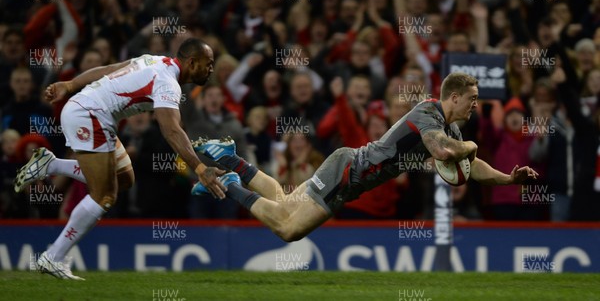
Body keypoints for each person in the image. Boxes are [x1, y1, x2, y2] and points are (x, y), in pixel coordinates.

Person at [192, 72, 539, 242]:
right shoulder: (429, 115)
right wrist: (472, 146)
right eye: (472, 98)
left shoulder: (448, 127)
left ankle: (231, 160)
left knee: (282, 201)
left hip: (347, 169)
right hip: (348, 174)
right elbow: (445, 152)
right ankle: (230, 183)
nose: (476, 104)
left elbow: (470, 165)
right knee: (288, 229)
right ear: (453, 97)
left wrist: (509, 178)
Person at [13, 38, 226, 280]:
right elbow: (172, 130)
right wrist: (199, 168)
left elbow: (108, 70)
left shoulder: (155, 60)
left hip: (92, 113)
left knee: (124, 178)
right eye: (208, 64)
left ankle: (51, 165)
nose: (211, 69)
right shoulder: (168, 84)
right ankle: (54, 256)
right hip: (89, 116)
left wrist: (71, 85)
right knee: (104, 195)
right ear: (191, 62)